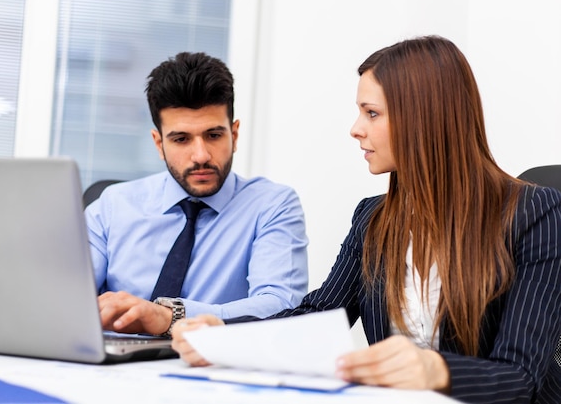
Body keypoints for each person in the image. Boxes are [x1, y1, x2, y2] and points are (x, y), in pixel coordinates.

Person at [171, 36, 561, 404]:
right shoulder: (374, 217)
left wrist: (433, 368)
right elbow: (319, 315)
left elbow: (521, 376)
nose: (355, 129)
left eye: (372, 113)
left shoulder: (536, 213)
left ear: (426, 118)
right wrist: (226, 336)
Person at [85, 52, 309, 338]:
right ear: (158, 143)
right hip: (108, 370)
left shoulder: (272, 206)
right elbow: (66, 297)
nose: (201, 155)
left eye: (214, 135)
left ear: (235, 135)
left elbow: (281, 307)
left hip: (211, 369)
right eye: (181, 139)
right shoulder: (111, 206)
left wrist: (170, 317)